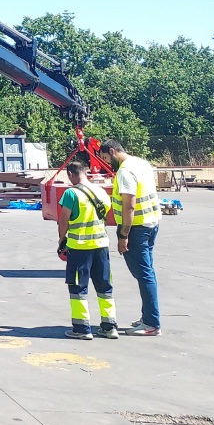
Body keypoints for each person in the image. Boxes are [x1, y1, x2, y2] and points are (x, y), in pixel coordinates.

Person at [97, 139, 162, 336]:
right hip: (152, 223)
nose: (107, 163)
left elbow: (129, 206)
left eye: (107, 158)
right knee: (147, 273)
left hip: (136, 229)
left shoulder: (125, 171)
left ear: (113, 151)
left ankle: (151, 323)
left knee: (143, 275)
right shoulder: (141, 163)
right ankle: (148, 317)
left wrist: (123, 234)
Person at [56, 154, 117, 340]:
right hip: (101, 246)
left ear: (70, 174)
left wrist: (61, 240)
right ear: (85, 172)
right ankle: (109, 327)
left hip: (79, 247)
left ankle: (82, 329)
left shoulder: (71, 193)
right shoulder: (100, 192)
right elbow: (105, 214)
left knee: (78, 289)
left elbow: (63, 220)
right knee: (105, 287)